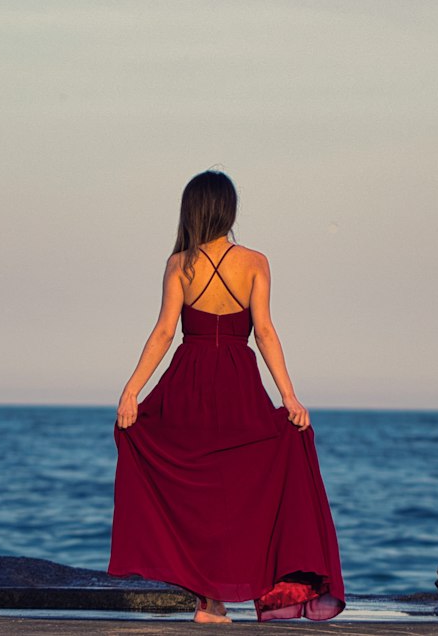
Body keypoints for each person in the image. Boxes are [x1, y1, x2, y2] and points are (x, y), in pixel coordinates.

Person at [108, 170, 345, 623]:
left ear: (192, 209)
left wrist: (131, 392)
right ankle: (217, 600)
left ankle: (208, 601)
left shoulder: (180, 264)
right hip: (238, 385)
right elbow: (266, 332)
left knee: (193, 495)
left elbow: (163, 333)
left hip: (188, 384)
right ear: (228, 210)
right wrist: (289, 397)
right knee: (240, 490)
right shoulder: (255, 261)